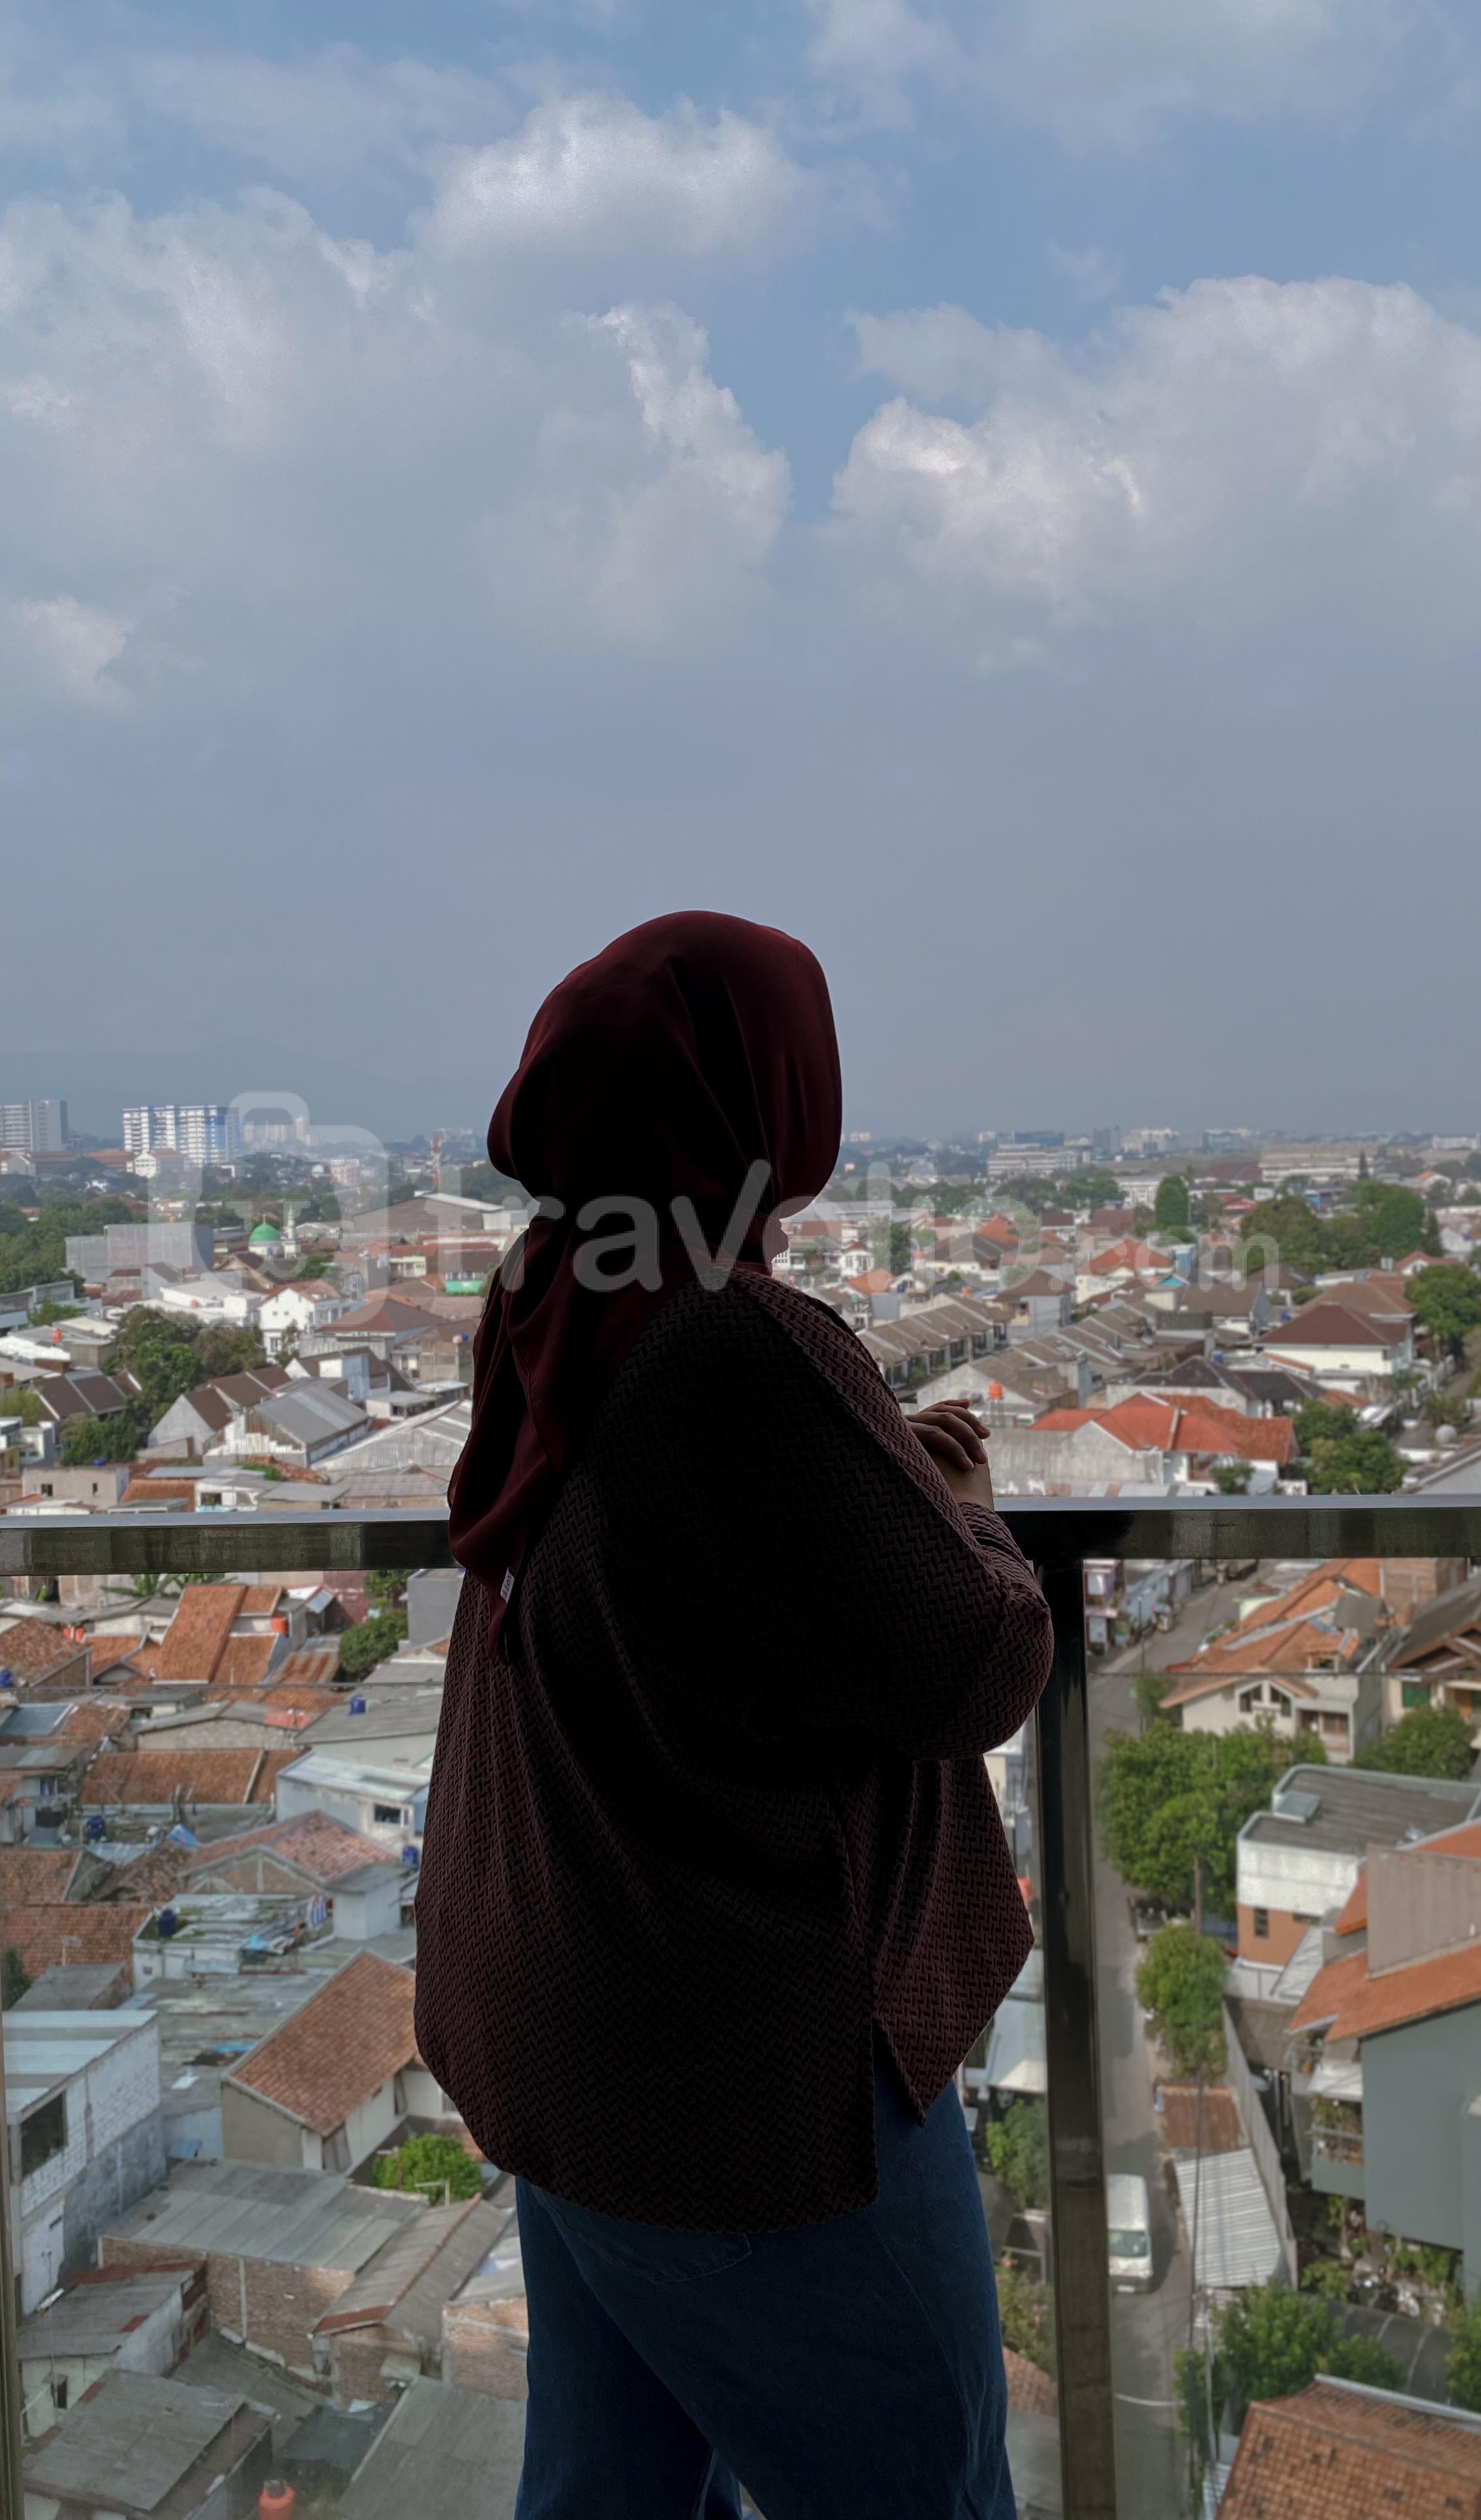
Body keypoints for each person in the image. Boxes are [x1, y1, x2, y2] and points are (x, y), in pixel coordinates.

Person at [416, 911, 1054, 2519]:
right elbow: (974, 1666)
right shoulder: (726, 1333)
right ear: (772, 1093)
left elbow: (694, 1555)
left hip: (578, 2026)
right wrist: (970, 1508)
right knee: (924, 2494)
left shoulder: (551, 1290)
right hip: (743, 2076)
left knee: (613, 2491)